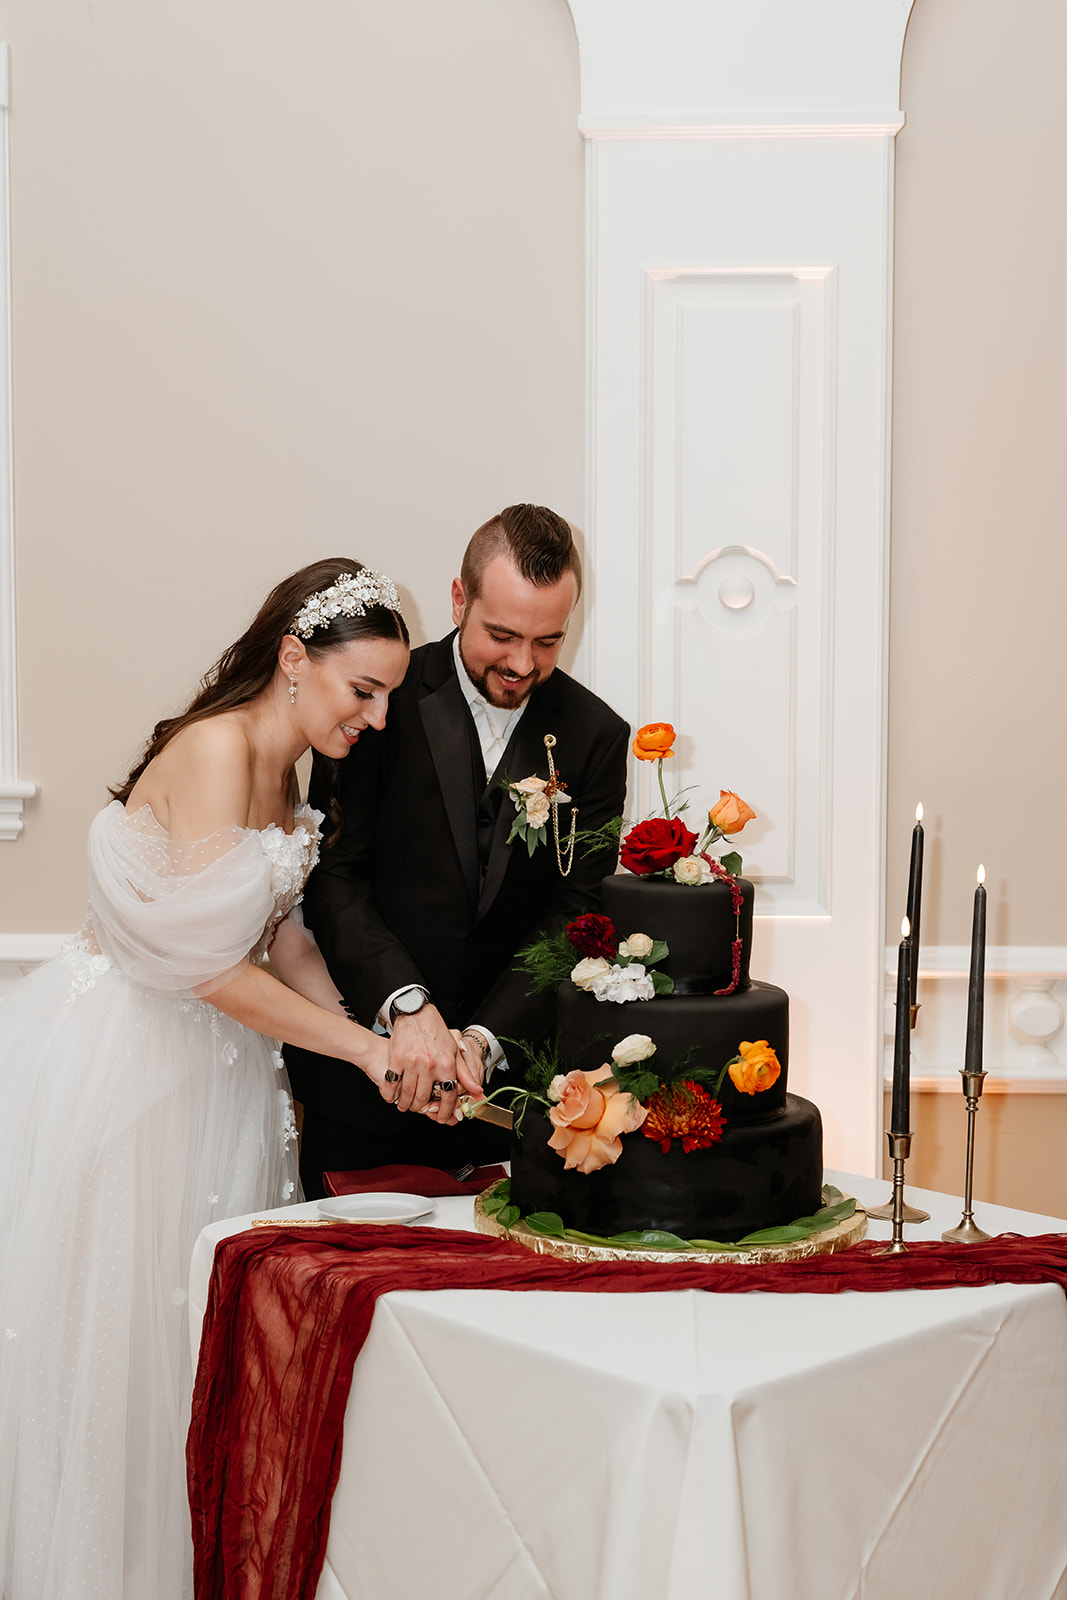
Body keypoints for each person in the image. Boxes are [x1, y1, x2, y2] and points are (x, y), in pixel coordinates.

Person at [0, 558, 464, 1600]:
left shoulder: (287, 767)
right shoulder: (214, 749)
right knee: (117, 1344)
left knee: (187, 1341)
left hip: (214, 1075)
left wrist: (376, 1041)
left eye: (389, 694)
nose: (379, 718)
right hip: (129, 1071)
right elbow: (208, 968)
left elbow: (282, 938)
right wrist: (364, 1052)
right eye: (365, 691)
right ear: (294, 659)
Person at [287, 505, 630, 1194]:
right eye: (501, 634)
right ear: (457, 599)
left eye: (547, 641)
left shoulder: (594, 734)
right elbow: (334, 877)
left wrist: (479, 1041)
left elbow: (577, 912)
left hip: (504, 1096)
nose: (521, 663)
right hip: (365, 1086)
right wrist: (407, 1008)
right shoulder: (375, 699)